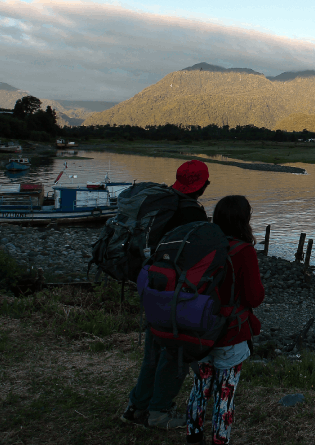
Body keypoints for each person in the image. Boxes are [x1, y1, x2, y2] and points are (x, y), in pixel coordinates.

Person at [121, 160, 211, 430]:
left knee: (153, 351)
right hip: (176, 294)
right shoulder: (191, 214)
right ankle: (158, 412)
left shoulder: (164, 203)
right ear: (201, 185)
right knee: (174, 355)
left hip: (152, 286)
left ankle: (136, 407)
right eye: (206, 182)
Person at [185, 195, 265, 445]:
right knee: (224, 394)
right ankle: (220, 440)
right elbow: (254, 298)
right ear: (244, 220)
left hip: (198, 330)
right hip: (230, 335)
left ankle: (193, 437)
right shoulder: (245, 251)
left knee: (200, 388)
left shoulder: (203, 246)